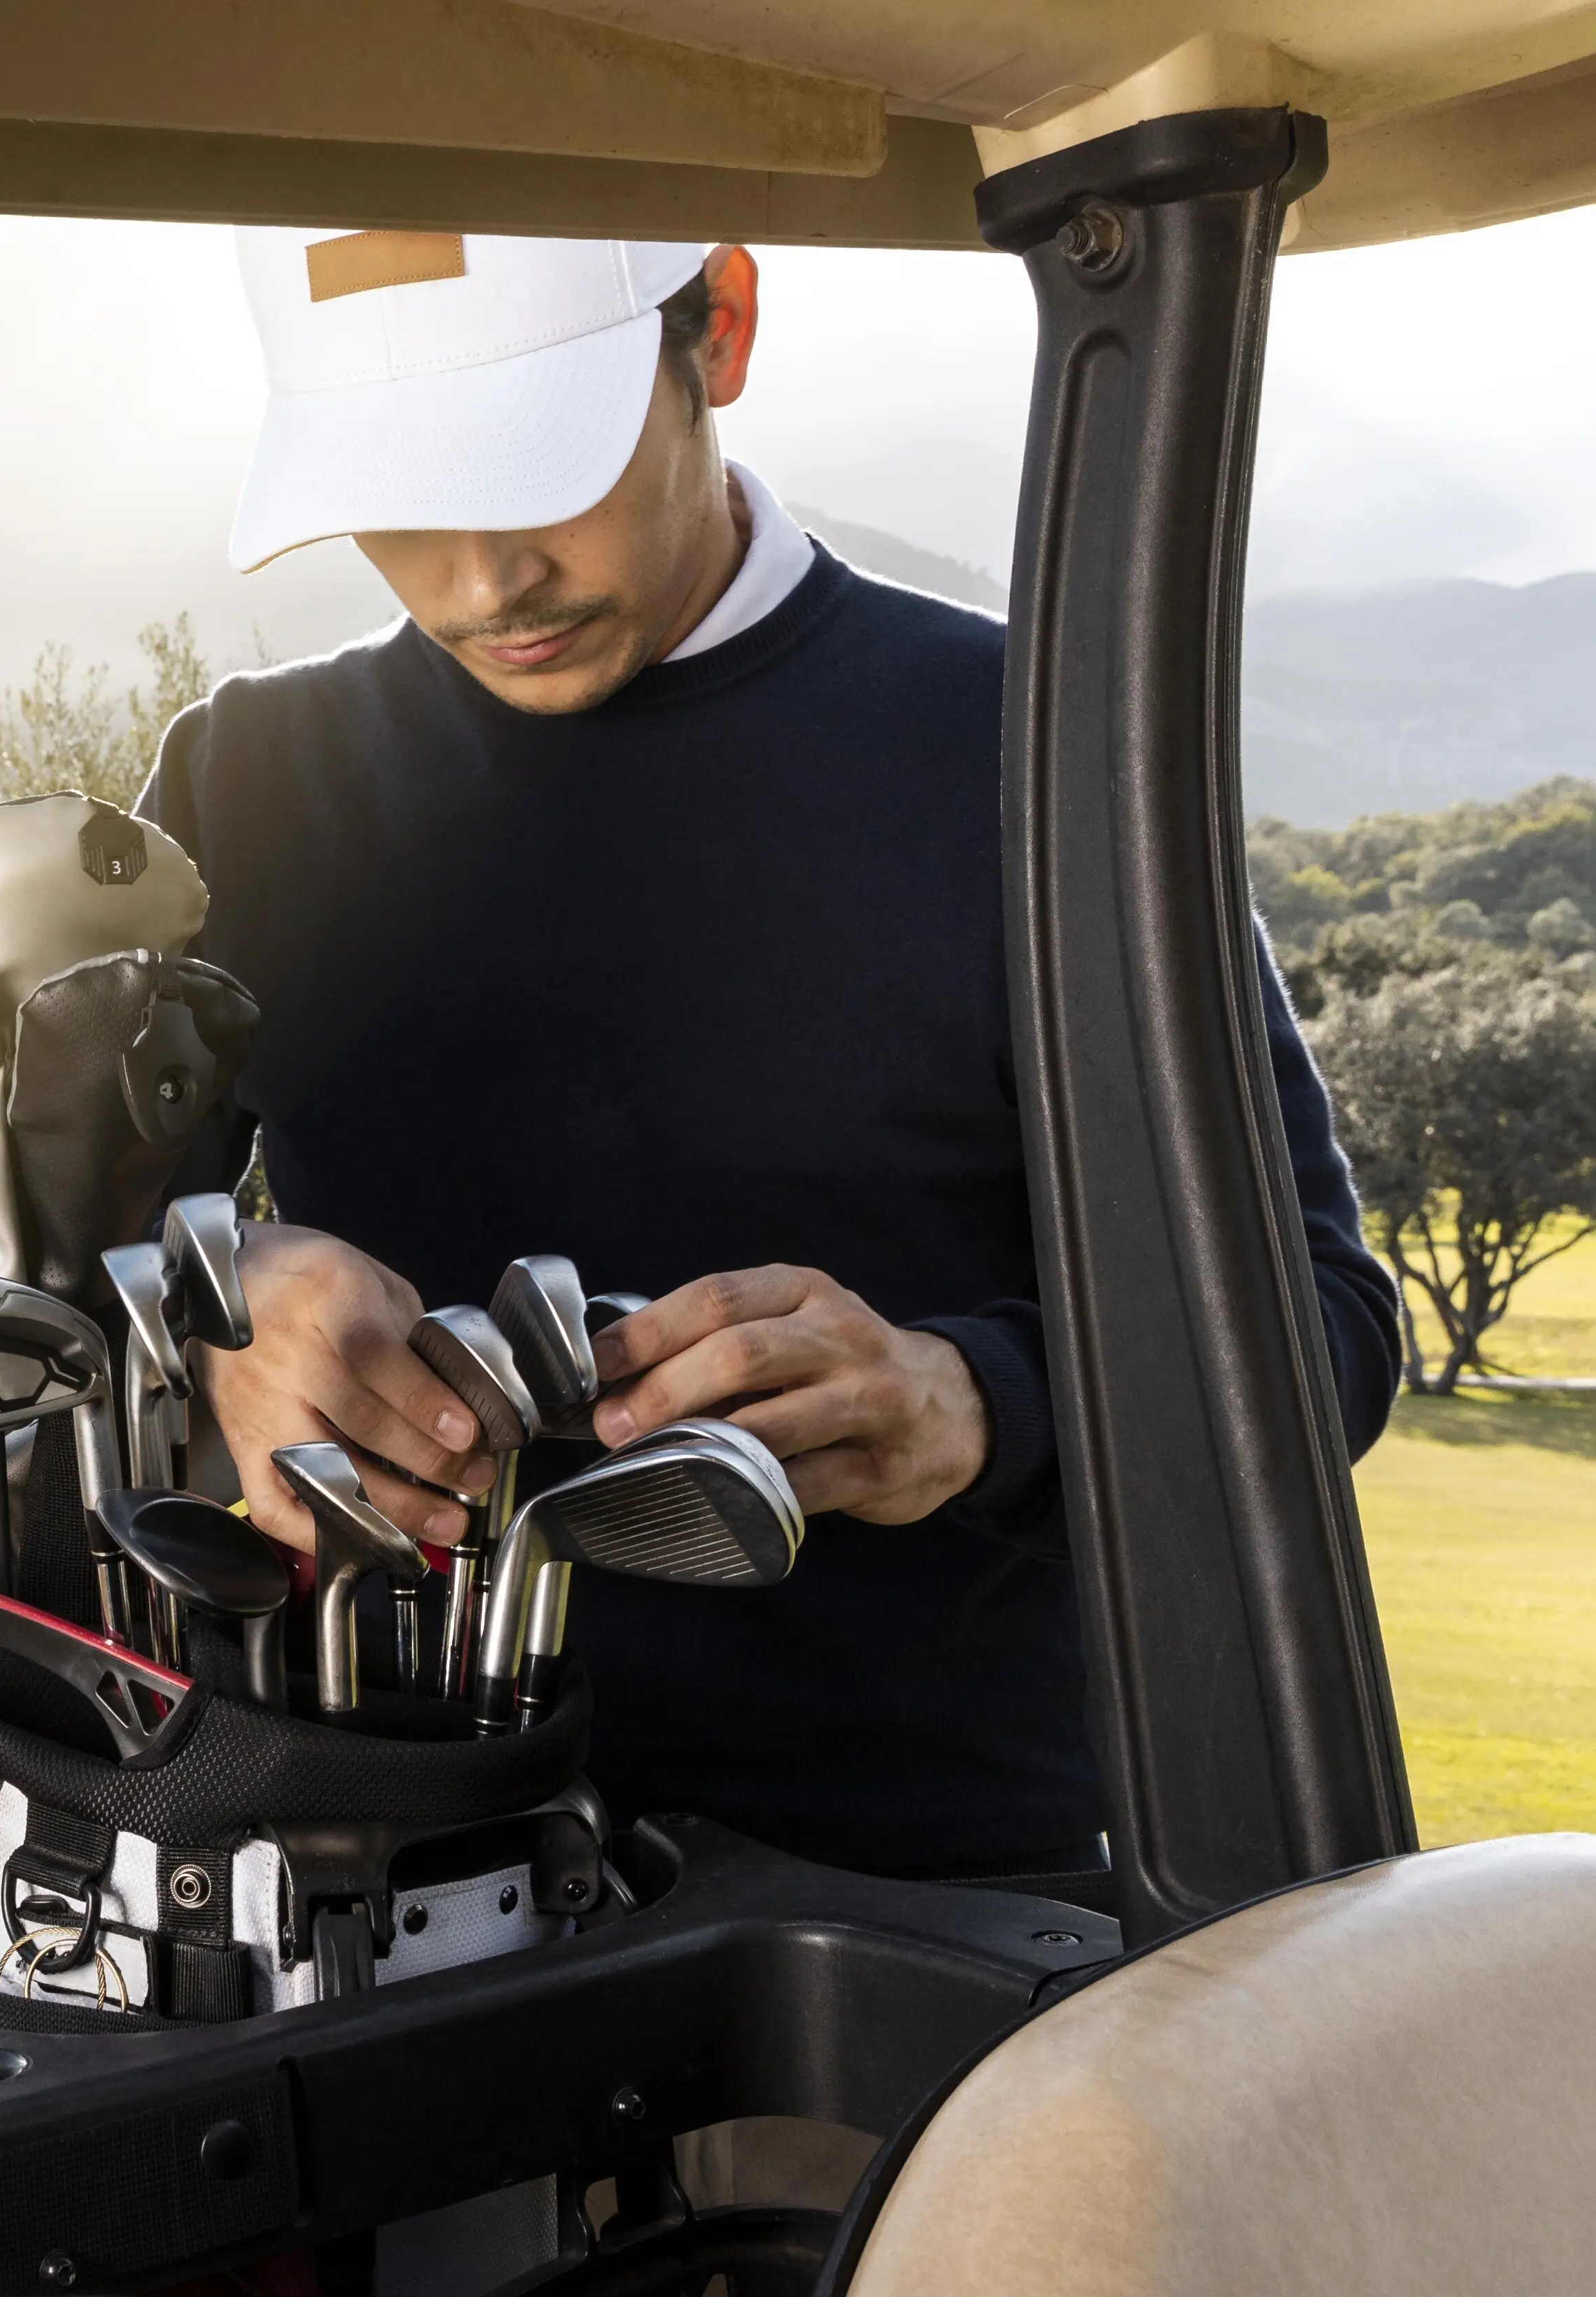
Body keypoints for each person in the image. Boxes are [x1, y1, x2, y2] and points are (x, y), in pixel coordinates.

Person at [148, 229, 1399, 1882]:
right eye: (394, 498)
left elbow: (1326, 1322)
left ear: (719, 331)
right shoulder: (243, 780)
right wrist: (221, 1306)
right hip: (356, 1870)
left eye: (539, 470)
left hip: (925, 1905)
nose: (481, 582)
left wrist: (974, 1402)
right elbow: (37, 1272)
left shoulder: (1038, 756)